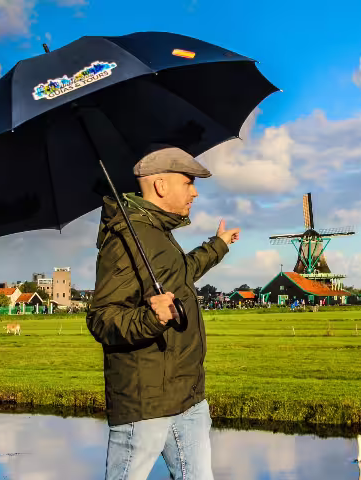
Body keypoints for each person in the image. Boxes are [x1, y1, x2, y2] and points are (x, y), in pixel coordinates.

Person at [86, 145, 240, 480]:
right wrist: (151, 318)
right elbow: (102, 318)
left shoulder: (157, 233)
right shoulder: (124, 239)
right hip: (147, 401)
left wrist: (219, 245)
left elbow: (181, 272)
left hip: (186, 394)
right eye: (188, 182)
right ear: (160, 186)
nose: (195, 192)